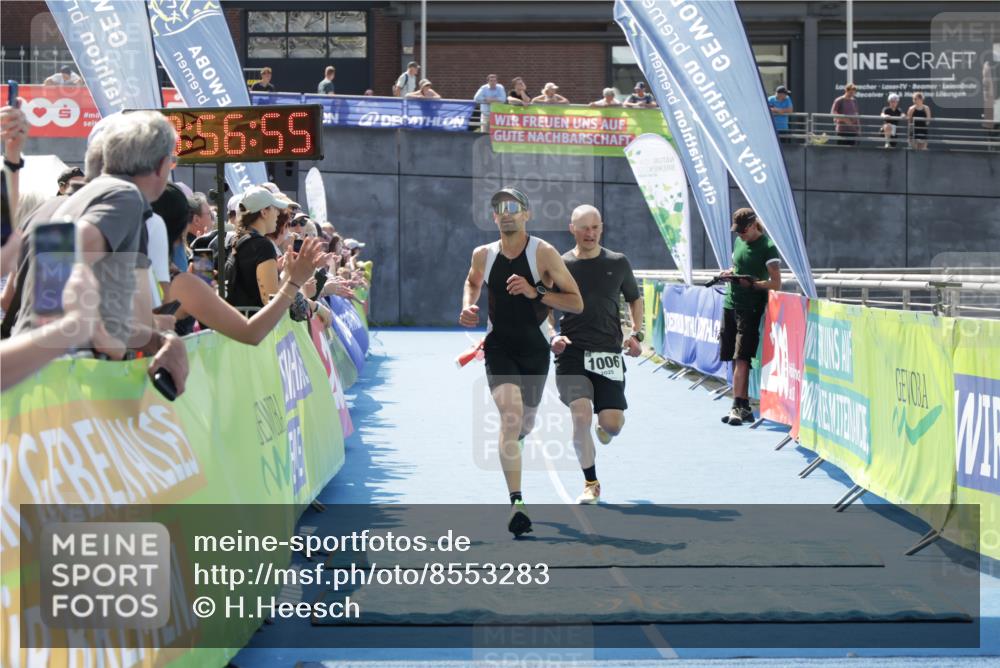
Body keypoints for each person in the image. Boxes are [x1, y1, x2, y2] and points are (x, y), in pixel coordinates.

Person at [459, 187, 583, 537]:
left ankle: (518, 437)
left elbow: (576, 302)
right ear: (493, 217)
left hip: (535, 350)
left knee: (524, 422)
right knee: (510, 415)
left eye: (514, 207)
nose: (507, 212)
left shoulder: (543, 254)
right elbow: (472, 282)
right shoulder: (483, 254)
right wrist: (468, 305)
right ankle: (517, 502)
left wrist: (536, 292)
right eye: (500, 208)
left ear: (527, 214)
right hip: (499, 346)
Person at [550, 205, 643, 504]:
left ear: (601, 228)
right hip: (571, 352)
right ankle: (591, 482)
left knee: (612, 424)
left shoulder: (618, 262)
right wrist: (554, 335)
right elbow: (543, 307)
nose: (590, 233)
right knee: (580, 415)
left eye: (595, 227)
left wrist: (637, 333)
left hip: (608, 352)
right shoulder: (559, 264)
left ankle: (606, 428)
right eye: (583, 228)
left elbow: (634, 298)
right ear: (571, 229)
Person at [718, 208, 782, 427]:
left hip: (751, 308)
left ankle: (737, 405)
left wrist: (753, 285)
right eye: (737, 232)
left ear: (754, 225)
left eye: (743, 231)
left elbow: (776, 283)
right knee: (734, 357)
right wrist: (729, 273)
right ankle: (743, 405)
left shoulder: (768, 247)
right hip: (730, 303)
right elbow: (738, 266)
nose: (740, 235)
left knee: (743, 357)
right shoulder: (739, 243)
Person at [224, 186, 284, 310]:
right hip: (256, 325)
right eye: (274, 208)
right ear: (264, 212)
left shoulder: (238, 239)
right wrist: (291, 275)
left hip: (239, 323)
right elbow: (271, 300)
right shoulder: (263, 246)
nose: (278, 213)